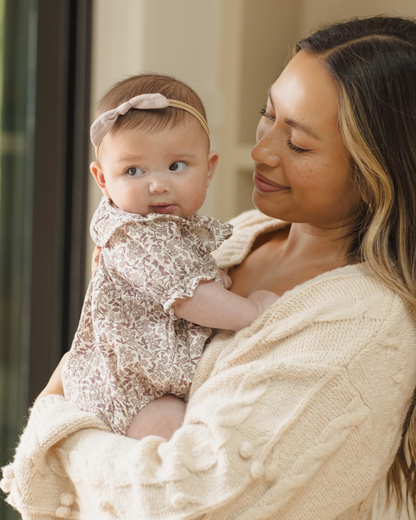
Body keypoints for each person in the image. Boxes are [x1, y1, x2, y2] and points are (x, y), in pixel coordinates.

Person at [2, 14, 416, 520]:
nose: (261, 150)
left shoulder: (359, 324)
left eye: (299, 143)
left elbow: (184, 502)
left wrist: (51, 429)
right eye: (268, 115)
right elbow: (101, 348)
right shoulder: (234, 236)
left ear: (380, 172)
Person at [61, 73, 278, 440]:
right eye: (133, 170)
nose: (158, 184)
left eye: (177, 166)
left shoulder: (164, 228)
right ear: (102, 179)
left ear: (208, 169)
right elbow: (189, 298)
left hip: (144, 377)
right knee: (166, 438)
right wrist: (252, 311)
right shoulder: (137, 234)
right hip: (133, 390)